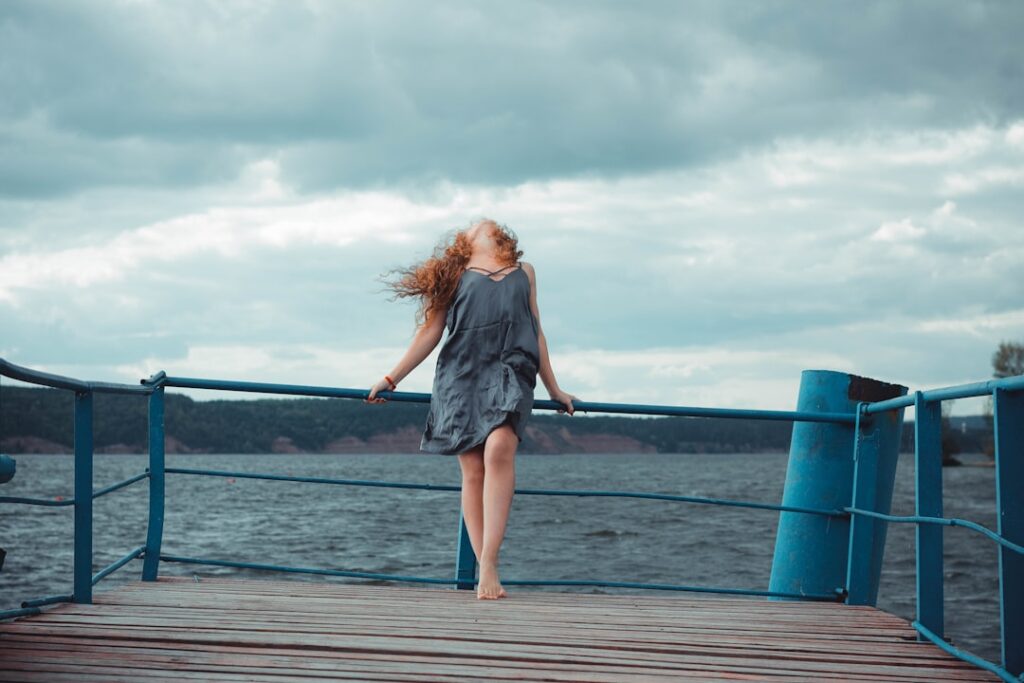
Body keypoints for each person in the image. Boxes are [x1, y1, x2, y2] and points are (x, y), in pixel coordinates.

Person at [365, 218, 578, 600]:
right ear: (463, 242)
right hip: (461, 374)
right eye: (474, 225)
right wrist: (391, 378)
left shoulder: (525, 272)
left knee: (499, 447)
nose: (484, 221)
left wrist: (554, 388)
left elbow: (537, 331)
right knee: (473, 469)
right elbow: (430, 332)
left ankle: (491, 561)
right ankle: (484, 567)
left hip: (511, 369)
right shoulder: (454, 271)